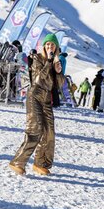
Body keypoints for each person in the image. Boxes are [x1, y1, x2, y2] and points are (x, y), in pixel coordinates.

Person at [9, 33, 64, 176]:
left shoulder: (57, 61)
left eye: (52, 44)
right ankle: (18, 161)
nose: (50, 46)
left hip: (47, 100)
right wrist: (49, 62)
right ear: (44, 46)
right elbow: (39, 79)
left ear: (56, 47)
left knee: (49, 133)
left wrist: (58, 72)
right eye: (47, 44)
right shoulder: (37, 58)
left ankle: (41, 163)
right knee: (35, 129)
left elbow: (58, 85)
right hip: (35, 96)